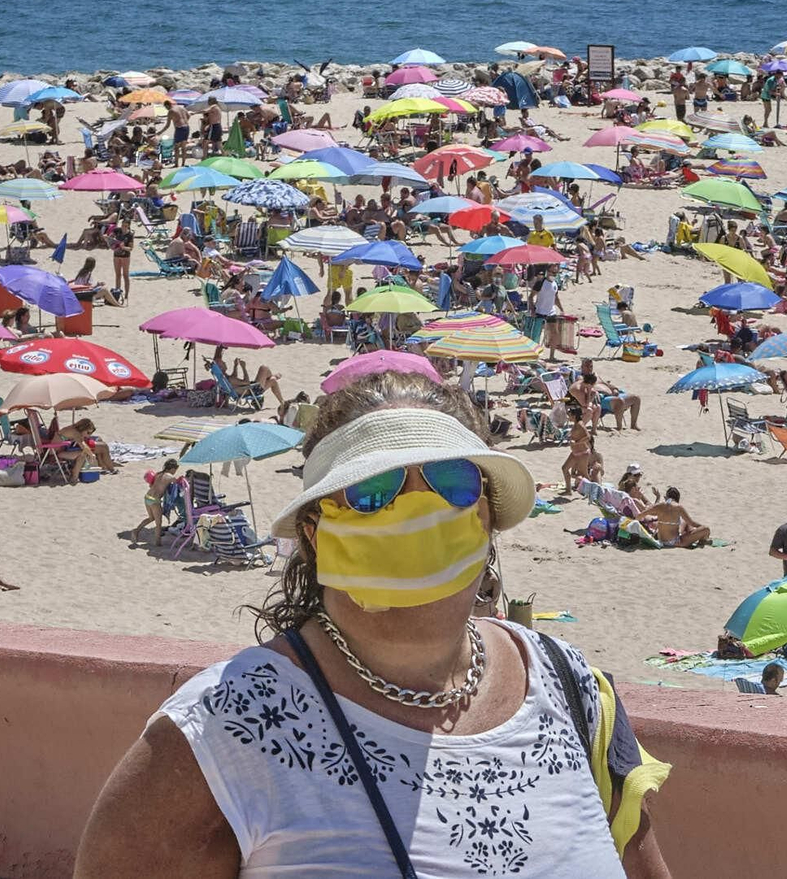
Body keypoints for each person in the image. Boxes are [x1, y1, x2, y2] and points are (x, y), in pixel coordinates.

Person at [75, 372, 670, 876]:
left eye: (452, 483)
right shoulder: (221, 730)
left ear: (488, 518)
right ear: (313, 535)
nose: (417, 509)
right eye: (372, 491)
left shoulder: (574, 689)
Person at [638, 486, 710, 548]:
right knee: (706, 529)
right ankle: (701, 541)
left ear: (667, 497)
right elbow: (691, 522)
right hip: (674, 542)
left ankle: (692, 534)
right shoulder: (678, 507)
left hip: (660, 539)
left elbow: (642, 514)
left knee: (684, 521)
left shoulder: (660, 505)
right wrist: (701, 526)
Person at [132, 459, 180, 547]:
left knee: (151, 518)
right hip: (155, 500)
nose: (175, 472)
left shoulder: (158, 474)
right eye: (175, 469)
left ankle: (136, 531)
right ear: (172, 468)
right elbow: (178, 483)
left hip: (147, 497)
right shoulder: (169, 476)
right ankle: (158, 543)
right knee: (158, 523)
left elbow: (151, 485)